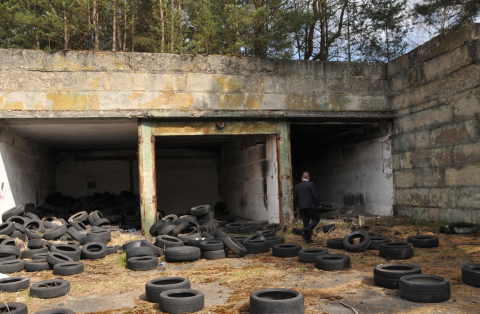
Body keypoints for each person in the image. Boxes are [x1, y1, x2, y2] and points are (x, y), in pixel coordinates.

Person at [293, 172, 320, 243]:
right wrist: (318, 205)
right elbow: (315, 196)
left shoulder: (297, 186)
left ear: (302, 178)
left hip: (301, 207)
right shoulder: (310, 184)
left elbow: (295, 198)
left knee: (306, 221)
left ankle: (308, 239)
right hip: (310, 205)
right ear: (308, 178)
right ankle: (307, 229)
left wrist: (297, 205)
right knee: (316, 219)